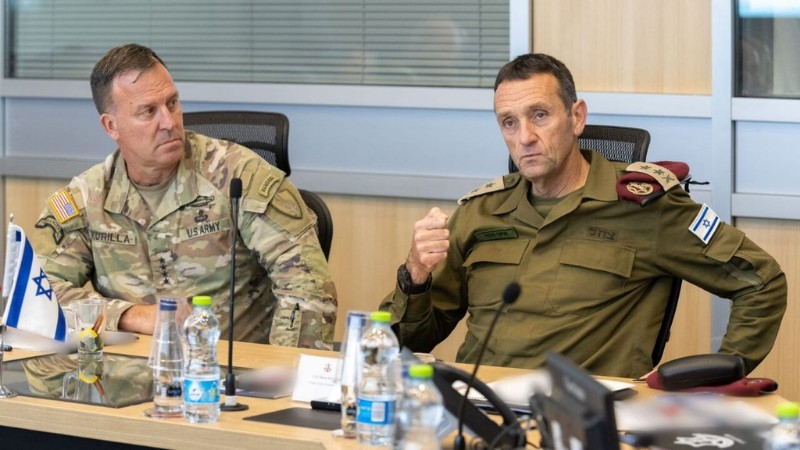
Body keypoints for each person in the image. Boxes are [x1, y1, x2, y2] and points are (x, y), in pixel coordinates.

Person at [380, 53, 786, 378]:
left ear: (576, 117)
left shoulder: (646, 207)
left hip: (582, 420)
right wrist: (415, 275)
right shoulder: (479, 212)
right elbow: (411, 342)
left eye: (540, 115)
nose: (525, 137)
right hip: (478, 409)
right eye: (509, 123)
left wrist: (719, 379)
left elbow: (761, 281)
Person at [31, 43, 337, 350]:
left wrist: (280, 370)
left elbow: (306, 285)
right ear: (111, 126)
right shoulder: (86, 200)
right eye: (148, 111)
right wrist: (129, 316)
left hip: (228, 371)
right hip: (124, 373)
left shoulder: (240, 177)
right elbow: (38, 295)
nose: (169, 122)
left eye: (172, 103)